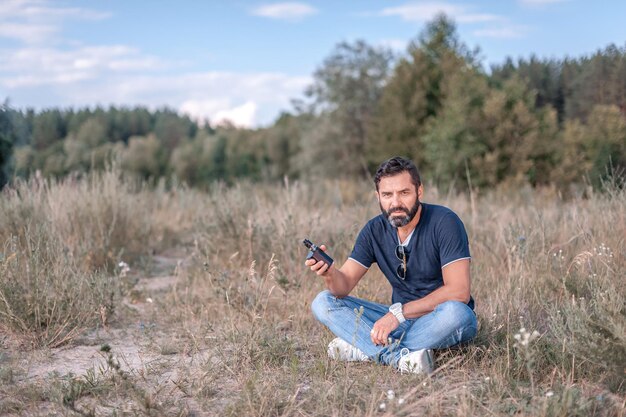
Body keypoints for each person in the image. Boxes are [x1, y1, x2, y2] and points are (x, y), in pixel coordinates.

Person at [307, 156, 477, 374]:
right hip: (398, 320)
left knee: (458, 313)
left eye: (404, 193)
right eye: (387, 195)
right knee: (323, 301)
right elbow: (343, 285)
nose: (395, 203)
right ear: (378, 196)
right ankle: (397, 357)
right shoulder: (373, 230)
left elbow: (459, 291)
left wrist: (398, 315)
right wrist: (329, 273)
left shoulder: (445, 222)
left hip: (438, 318)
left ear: (419, 191)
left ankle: (365, 349)